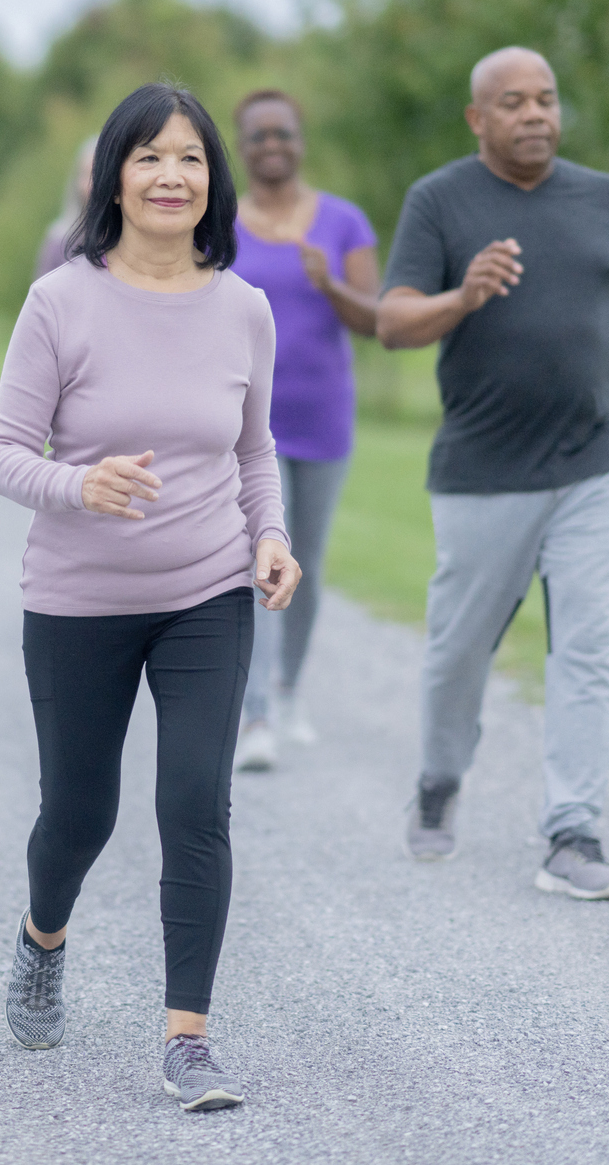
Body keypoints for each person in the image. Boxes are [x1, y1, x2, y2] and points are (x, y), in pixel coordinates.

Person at [0, 82, 300, 1111]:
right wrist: (82, 484)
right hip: (77, 597)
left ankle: (189, 1037)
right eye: (150, 156)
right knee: (79, 813)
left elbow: (255, 449)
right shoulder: (61, 300)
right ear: (115, 175)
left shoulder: (243, 308)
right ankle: (42, 937)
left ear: (213, 182)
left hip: (207, 588)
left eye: (191, 159)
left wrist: (272, 534)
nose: (171, 175)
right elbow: (1, 453)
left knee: (194, 804)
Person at [377, 47, 609, 899]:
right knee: (457, 651)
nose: (535, 114)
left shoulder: (605, 198)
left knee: (586, 645)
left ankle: (571, 832)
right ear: (477, 118)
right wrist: (461, 297)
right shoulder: (439, 201)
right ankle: (438, 776)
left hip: (591, 462)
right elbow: (394, 323)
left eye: (545, 98)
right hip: (482, 472)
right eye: (512, 102)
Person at [225, 88, 380, 773]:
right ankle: (254, 711)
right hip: (245, 421)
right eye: (256, 136)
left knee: (306, 565)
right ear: (241, 145)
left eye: (281, 133)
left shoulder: (343, 223)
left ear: (300, 139)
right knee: (258, 558)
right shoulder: (219, 223)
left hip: (321, 417)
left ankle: (288, 688)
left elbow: (374, 321)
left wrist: (330, 284)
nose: (270, 146)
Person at [34, 136, 97, 279]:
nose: (92, 184)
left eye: (99, 174)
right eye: (86, 174)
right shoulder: (58, 238)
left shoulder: (129, 239)